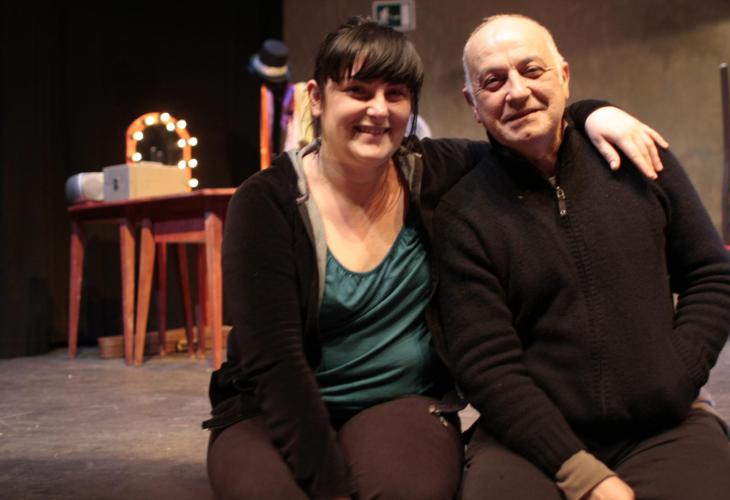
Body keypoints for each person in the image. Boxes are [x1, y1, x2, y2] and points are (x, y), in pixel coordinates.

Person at [205, 17, 666, 499]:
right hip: (271, 408)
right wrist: (331, 487)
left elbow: (526, 138)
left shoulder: (435, 171)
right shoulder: (266, 202)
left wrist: (592, 113)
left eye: (395, 94)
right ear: (317, 98)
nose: (378, 110)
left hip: (398, 401)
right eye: (358, 91)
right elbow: (274, 364)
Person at [435, 14, 730, 500]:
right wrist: (580, 473)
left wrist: (677, 374)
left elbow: (711, 275)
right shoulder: (463, 215)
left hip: (661, 424)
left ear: (565, 76)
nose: (517, 92)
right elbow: (487, 366)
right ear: (473, 104)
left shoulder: (639, 158)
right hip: (528, 439)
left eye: (532, 70)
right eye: (493, 81)